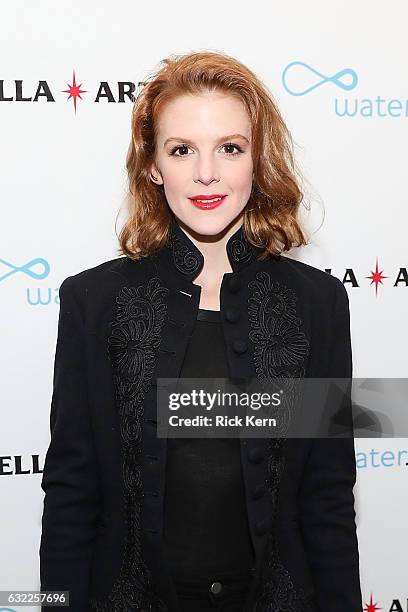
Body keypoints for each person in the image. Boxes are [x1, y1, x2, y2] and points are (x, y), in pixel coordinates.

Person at [39, 50, 363, 611]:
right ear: (152, 166)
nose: (206, 173)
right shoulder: (93, 301)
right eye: (182, 149)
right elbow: (72, 488)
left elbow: (327, 496)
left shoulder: (318, 303)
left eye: (230, 148)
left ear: (257, 161)